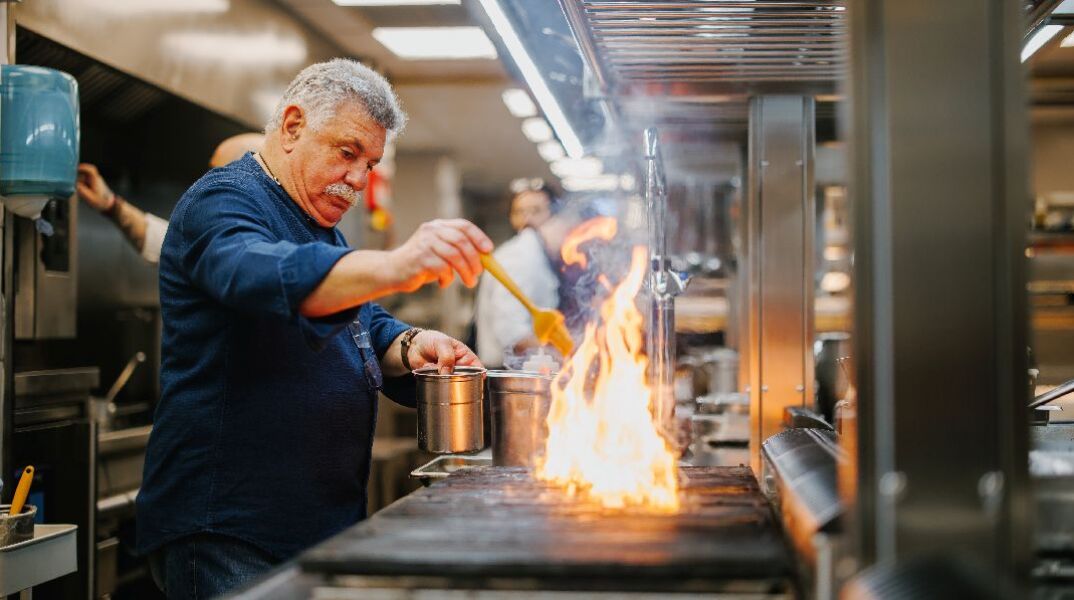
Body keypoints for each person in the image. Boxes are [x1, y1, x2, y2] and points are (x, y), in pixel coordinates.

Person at [135, 59, 493, 598]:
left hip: (312, 522)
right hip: (230, 528)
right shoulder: (223, 200)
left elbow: (364, 325)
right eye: (347, 153)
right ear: (294, 125)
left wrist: (414, 345)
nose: (357, 179)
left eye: (369, 164)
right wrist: (401, 264)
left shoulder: (319, 225)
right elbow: (260, 275)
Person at [75, 133, 264, 263]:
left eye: (219, 180)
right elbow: (164, 240)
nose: (208, 189)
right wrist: (110, 204)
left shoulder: (263, 257)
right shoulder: (214, 247)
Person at [475, 201, 581, 369]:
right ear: (556, 221)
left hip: (522, 371)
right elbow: (512, 331)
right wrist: (566, 353)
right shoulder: (522, 257)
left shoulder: (538, 255)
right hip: (505, 374)